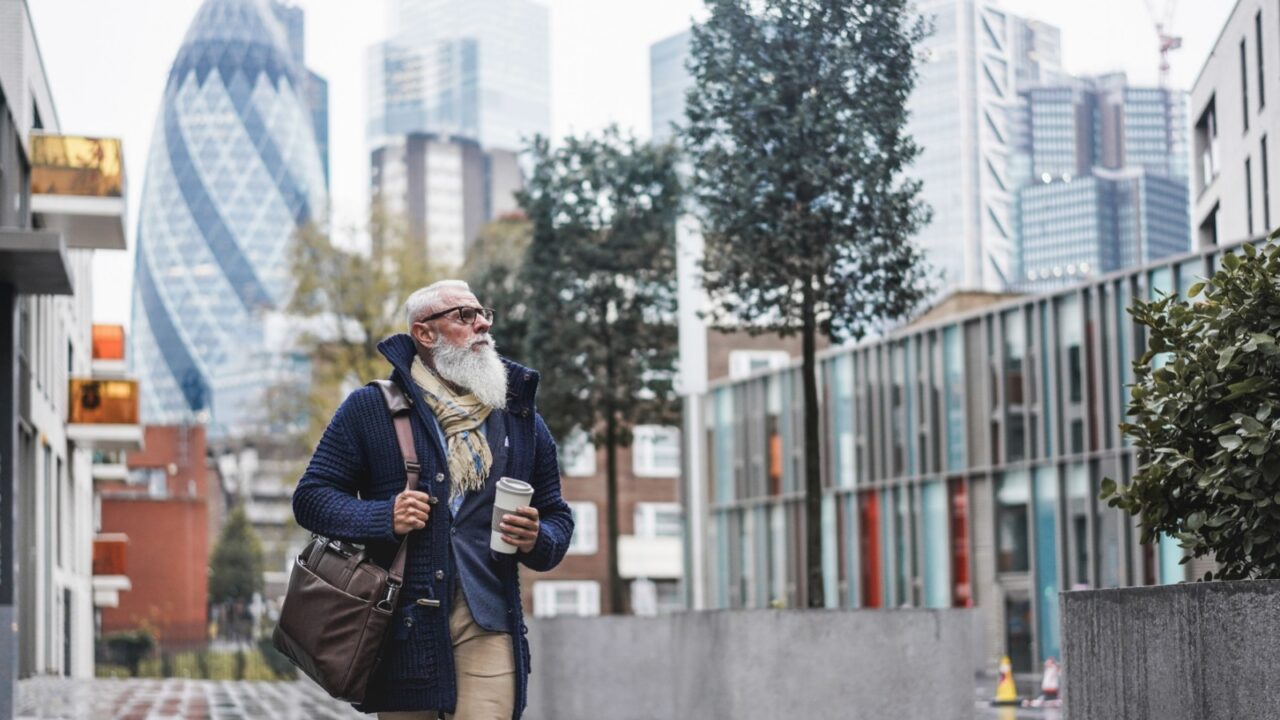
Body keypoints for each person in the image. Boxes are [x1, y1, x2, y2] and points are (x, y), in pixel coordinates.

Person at [292, 279, 574, 719]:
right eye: (464, 315)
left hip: (490, 619)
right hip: (402, 630)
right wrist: (383, 516)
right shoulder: (371, 409)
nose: (482, 324)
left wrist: (538, 536)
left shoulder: (519, 420)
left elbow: (557, 516)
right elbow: (311, 499)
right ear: (425, 334)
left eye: (483, 314)